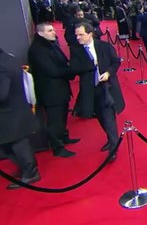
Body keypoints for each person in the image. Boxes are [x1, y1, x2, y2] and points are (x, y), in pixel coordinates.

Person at [70, 22, 125, 161]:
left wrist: (108, 73)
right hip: (90, 90)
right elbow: (74, 68)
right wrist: (92, 65)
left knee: (109, 119)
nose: (78, 38)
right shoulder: (76, 50)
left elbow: (116, 62)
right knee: (100, 117)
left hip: (107, 88)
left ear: (90, 34)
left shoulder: (104, 46)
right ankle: (111, 139)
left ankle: (113, 149)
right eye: (76, 35)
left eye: (81, 34)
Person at [28, 23, 79, 158]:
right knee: (54, 120)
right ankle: (57, 147)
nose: (54, 32)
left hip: (60, 88)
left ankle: (63, 137)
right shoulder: (37, 50)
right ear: (40, 33)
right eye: (50, 30)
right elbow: (51, 71)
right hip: (50, 92)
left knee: (62, 115)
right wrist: (71, 71)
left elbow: (62, 61)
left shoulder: (51, 44)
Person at [0, 48, 41, 189]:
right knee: (15, 145)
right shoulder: (9, 58)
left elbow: (2, 94)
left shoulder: (2, 65)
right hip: (15, 111)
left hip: (10, 113)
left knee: (18, 145)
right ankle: (26, 169)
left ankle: (30, 173)